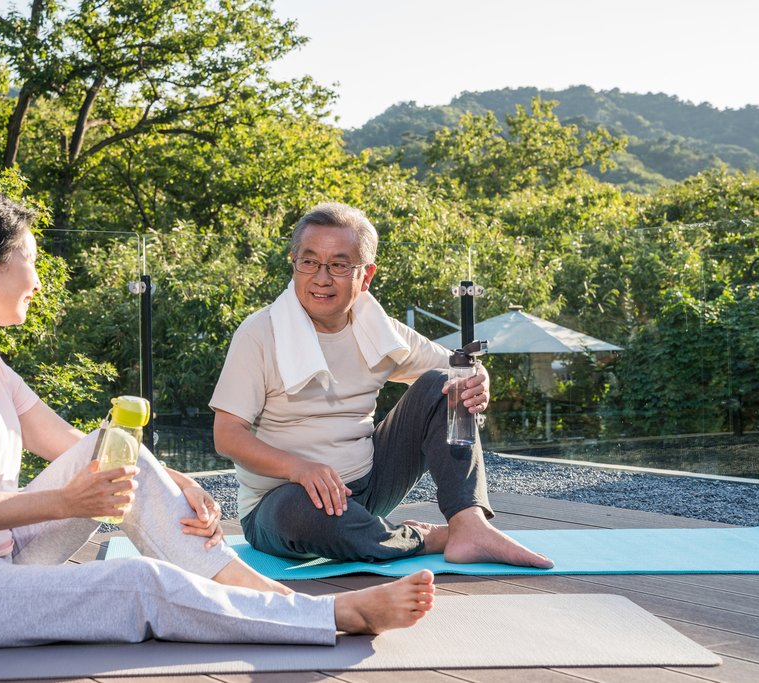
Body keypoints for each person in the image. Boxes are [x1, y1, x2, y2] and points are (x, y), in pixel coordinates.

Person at [0, 189, 436, 650]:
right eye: (31, 263)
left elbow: (74, 444)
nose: (38, 280)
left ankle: (288, 605)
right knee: (137, 584)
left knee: (118, 450)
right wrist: (69, 504)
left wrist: (170, 480)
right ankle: (328, 618)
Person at [211, 202, 554, 569]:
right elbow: (227, 435)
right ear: (293, 263)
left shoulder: (377, 329)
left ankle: (468, 523)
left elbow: (459, 368)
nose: (321, 278)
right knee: (302, 514)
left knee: (445, 385)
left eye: (339, 265)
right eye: (309, 262)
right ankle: (431, 538)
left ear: (366, 275)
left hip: (369, 485)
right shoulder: (258, 334)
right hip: (282, 501)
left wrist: (477, 378)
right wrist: (299, 468)